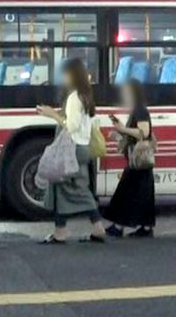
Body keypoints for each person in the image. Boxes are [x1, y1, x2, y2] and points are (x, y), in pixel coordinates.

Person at [36, 57, 105, 243]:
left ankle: (61, 232)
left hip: (72, 148)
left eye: (65, 73)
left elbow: (71, 125)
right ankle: (97, 228)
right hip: (82, 147)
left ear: (72, 74)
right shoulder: (85, 94)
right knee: (80, 189)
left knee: (59, 186)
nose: (63, 77)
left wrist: (53, 115)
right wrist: (55, 113)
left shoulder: (74, 96)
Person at [103, 79, 156, 238]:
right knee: (143, 194)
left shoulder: (140, 110)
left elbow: (143, 133)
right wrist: (120, 131)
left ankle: (118, 226)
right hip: (140, 160)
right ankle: (145, 228)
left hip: (138, 158)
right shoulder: (138, 109)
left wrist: (122, 129)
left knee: (125, 192)